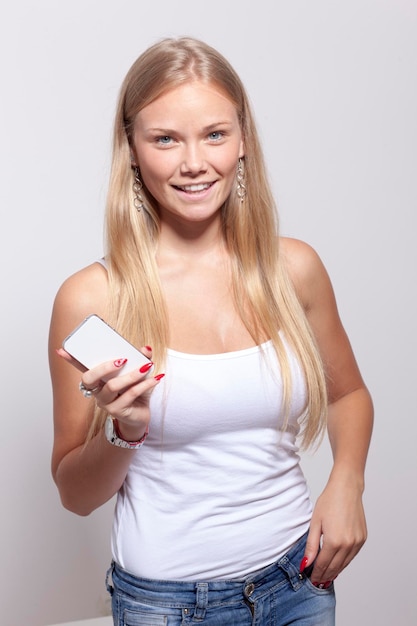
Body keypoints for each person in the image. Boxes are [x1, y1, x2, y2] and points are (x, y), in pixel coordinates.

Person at [49, 36, 373, 626]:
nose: (194, 162)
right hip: (167, 604)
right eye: (166, 138)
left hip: (296, 580)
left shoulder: (293, 269)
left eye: (215, 134)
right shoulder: (94, 297)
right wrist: (126, 430)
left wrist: (346, 482)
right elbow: (75, 495)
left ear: (243, 141)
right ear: (132, 150)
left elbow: (349, 393)